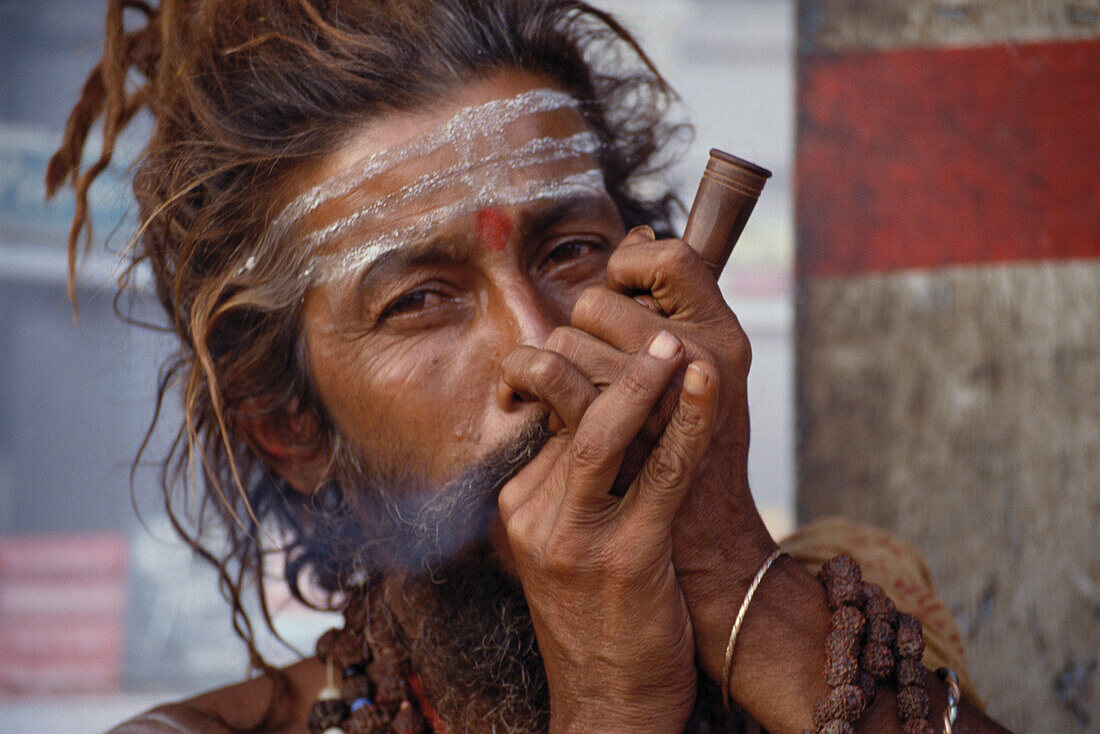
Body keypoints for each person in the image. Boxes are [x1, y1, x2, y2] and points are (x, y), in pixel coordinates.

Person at [47, 1, 1012, 732]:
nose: (538, 344)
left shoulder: (855, 609)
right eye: (420, 298)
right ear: (291, 428)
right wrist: (610, 701)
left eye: (568, 251)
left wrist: (732, 578)